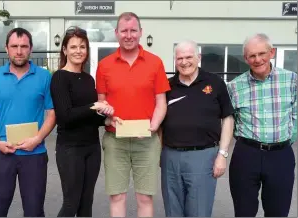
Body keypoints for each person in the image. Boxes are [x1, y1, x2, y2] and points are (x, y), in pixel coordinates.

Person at [95, 12, 171, 217]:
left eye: (133, 30)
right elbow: (101, 103)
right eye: (124, 31)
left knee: (145, 198)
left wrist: (153, 127)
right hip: (115, 140)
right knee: (117, 196)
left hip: (146, 140)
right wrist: (107, 114)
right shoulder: (104, 65)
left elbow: (161, 103)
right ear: (116, 33)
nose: (128, 35)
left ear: (140, 33)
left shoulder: (155, 63)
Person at [0, 27, 56, 217]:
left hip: (34, 153)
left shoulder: (44, 76)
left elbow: (52, 113)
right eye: (14, 46)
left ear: (31, 49)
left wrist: (37, 139)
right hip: (1, 152)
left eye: (24, 46)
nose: (19, 51)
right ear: (6, 48)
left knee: (34, 211)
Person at [160, 40, 235, 217]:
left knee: (199, 212)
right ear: (174, 60)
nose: (184, 62)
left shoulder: (215, 83)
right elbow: (159, 123)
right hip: (171, 157)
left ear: (198, 57)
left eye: (189, 57)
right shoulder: (167, 86)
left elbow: (228, 118)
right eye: (179, 58)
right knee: (173, 211)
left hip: (204, 156)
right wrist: (160, 153)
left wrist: (222, 155)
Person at [227, 33, 297, 217]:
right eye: (252, 55)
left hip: (280, 156)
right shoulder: (234, 86)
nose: (257, 60)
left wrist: (287, 140)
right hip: (246, 155)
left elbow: (297, 114)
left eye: (262, 53)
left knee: (278, 212)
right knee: (244, 212)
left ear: (271, 52)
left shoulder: (291, 80)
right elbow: (230, 120)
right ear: (245, 58)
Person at [50, 26, 114, 217]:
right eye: (73, 47)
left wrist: (106, 118)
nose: (78, 51)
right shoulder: (59, 77)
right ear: (65, 50)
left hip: (91, 148)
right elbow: (65, 116)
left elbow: (90, 116)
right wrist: (95, 105)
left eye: (82, 47)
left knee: (86, 204)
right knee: (71, 203)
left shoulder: (88, 79)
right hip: (70, 150)